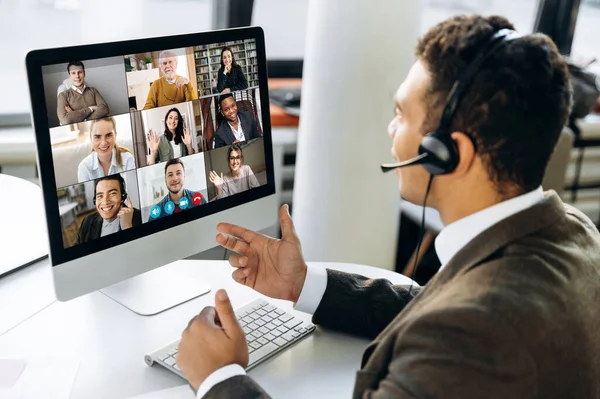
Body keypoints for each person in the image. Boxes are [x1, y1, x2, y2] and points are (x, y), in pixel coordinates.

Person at [175, 15, 600, 398]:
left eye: (401, 114)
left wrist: (220, 378)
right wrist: (300, 283)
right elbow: (430, 306)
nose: (391, 129)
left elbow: (457, 325)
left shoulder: (476, 336)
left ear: (447, 153)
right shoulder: (572, 233)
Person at [74, 174, 141, 245]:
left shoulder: (139, 217)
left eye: (112, 193)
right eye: (100, 196)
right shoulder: (87, 221)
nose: (105, 202)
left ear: (122, 197)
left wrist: (127, 227)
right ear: (95, 200)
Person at [77, 116, 136, 183]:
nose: (104, 143)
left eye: (108, 135)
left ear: (115, 135)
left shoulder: (128, 159)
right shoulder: (84, 167)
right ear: (91, 138)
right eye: (98, 137)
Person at [57, 61, 109, 125]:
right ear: (69, 76)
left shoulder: (93, 90)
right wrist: (91, 109)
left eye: (80, 72)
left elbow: (105, 109)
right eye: (73, 73)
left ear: (84, 74)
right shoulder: (63, 95)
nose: (77, 76)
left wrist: (79, 117)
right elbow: (65, 120)